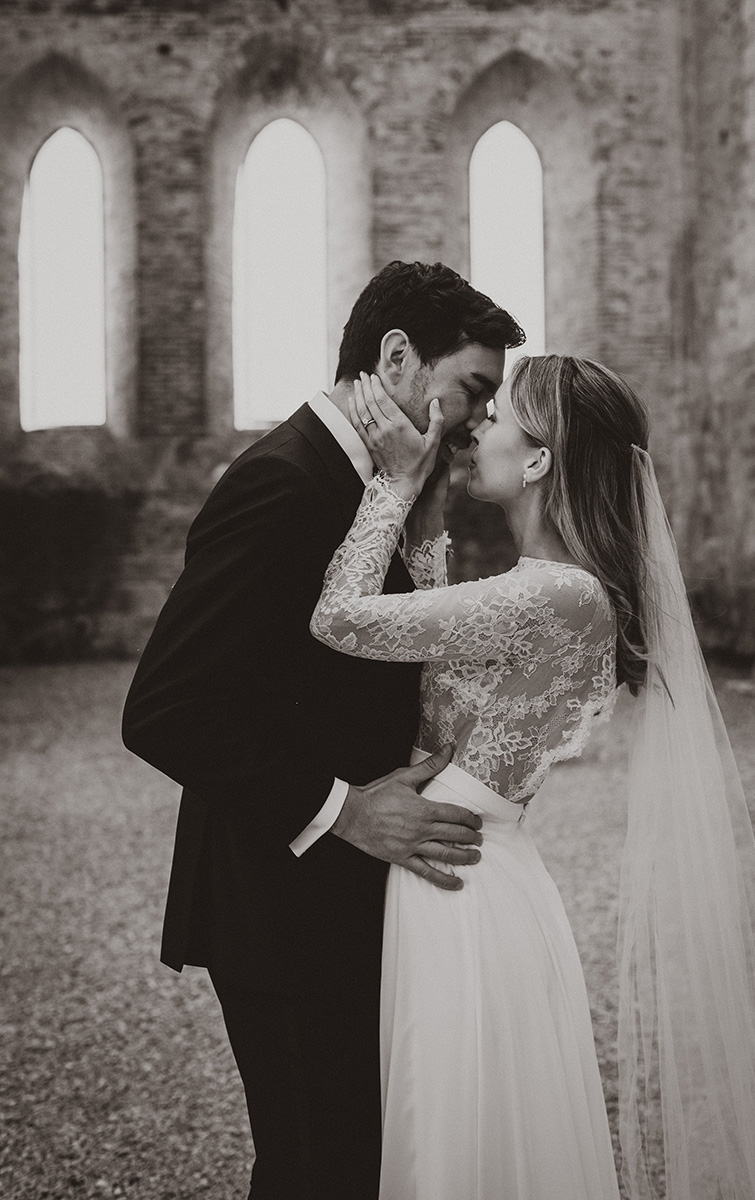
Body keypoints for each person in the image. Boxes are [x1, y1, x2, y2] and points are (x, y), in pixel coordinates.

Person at [310, 357, 755, 1199]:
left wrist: (392, 484)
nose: (476, 428)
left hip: (456, 879)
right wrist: (427, 519)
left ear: (537, 459)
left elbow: (341, 618)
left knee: (456, 1145)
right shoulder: (551, 591)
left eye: (495, 414)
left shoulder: (558, 596)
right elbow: (438, 648)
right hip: (459, 864)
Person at [120, 261, 524, 1199]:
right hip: (277, 899)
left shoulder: (376, 478)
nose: (476, 417)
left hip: (336, 904)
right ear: (396, 357)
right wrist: (344, 811)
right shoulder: (285, 481)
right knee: (319, 1165)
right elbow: (164, 708)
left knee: (353, 1155)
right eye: (471, 388)